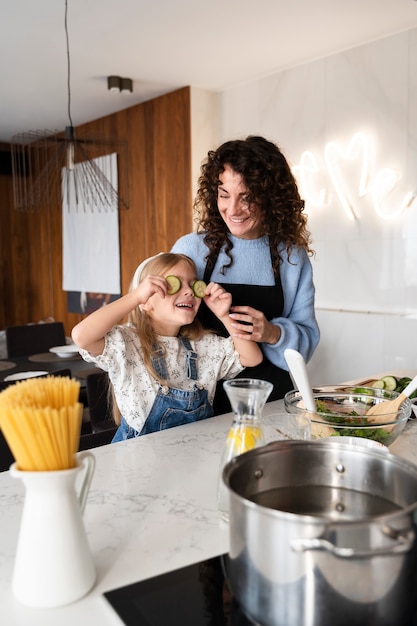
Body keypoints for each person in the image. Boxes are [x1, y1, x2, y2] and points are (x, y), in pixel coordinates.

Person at [171, 135, 320, 414]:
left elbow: (306, 342)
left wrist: (273, 332)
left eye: (247, 197)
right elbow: (162, 325)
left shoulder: (291, 256)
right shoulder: (192, 249)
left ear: (270, 198)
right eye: (224, 195)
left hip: (269, 400)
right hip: (198, 400)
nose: (233, 209)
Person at [71, 252, 262, 440]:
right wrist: (136, 297)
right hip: (139, 459)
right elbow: (81, 336)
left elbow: (252, 357)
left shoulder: (203, 346)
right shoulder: (127, 343)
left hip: (192, 452)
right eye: (173, 284)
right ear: (146, 301)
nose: (188, 291)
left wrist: (224, 315)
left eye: (193, 284)